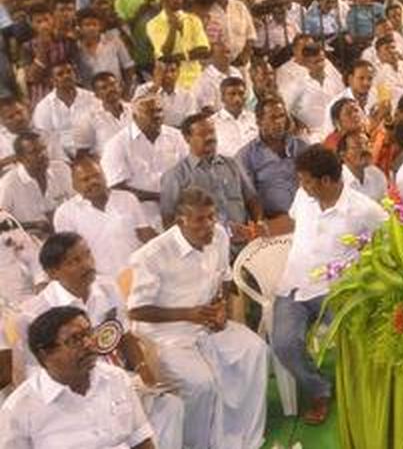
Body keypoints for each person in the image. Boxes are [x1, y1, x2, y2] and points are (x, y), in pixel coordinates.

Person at [127, 188, 269, 449]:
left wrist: (221, 306)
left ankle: (244, 436)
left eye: (212, 217)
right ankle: (198, 444)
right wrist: (187, 314)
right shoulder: (152, 255)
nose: (209, 226)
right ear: (180, 221)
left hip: (207, 325)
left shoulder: (219, 236)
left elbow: (224, 277)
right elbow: (136, 310)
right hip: (167, 337)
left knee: (255, 350)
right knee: (201, 385)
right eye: (200, 220)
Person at [15, 233, 184, 449]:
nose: (87, 264)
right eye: (74, 261)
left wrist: (144, 371)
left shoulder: (107, 287)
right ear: (53, 272)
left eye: (87, 255)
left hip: (116, 379)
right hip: (72, 390)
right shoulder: (34, 314)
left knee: (170, 406)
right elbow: (34, 374)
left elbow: (124, 335)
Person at [276, 146, 386, 425]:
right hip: (294, 286)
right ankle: (319, 390)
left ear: (326, 181)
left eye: (306, 181)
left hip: (335, 292)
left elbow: (389, 239)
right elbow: (292, 221)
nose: (302, 186)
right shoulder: (304, 197)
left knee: (358, 340)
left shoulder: (363, 210)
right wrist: (260, 230)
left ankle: (364, 394)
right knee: (284, 344)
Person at [0, 306, 157, 448]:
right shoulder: (20, 409)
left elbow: (141, 440)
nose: (88, 343)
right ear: (45, 354)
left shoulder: (116, 378)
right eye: (75, 340)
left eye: (88, 333)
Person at [160, 112, 263, 245]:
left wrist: (258, 224)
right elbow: (169, 221)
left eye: (212, 132)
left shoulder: (232, 164)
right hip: (207, 246)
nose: (210, 137)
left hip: (246, 241)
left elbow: (252, 199)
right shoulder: (176, 176)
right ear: (187, 138)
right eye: (202, 134)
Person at [53, 156, 154, 277]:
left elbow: (145, 234)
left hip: (139, 273)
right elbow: (70, 257)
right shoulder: (65, 214)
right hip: (100, 281)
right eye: (85, 179)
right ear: (74, 185)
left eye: (97, 176)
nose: (93, 182)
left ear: (105, 176)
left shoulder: (127, 198)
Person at [100, 94, 189, 228]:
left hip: (178, 209)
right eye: (150, 112)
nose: (157, 115)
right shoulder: (117, 144)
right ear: (135, 117)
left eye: (159, 110)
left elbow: (189, 169)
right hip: (140, 215)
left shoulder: (176, 136)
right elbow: (116, 188)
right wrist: (159, 197)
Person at [238, 97, 307, 229]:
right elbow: (250, 197)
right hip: (271, 221)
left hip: (304, 215)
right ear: (259, 121)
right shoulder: (246, 155)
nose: (279, 122)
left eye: (282, 116)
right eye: (273, 118)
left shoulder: (301, 146)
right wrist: (262, 224)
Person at [0, 132, 74, 237]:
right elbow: (2, 223)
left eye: (43, 149)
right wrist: (33, 225)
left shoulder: (61, 169)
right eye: (34, 152)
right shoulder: (8, 184)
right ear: (20, 159)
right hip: (30, 239)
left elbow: (79, 202)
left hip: (68, 233)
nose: (42, 154)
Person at [145, 0, 209, 90]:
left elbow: (204, 51)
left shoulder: (193, 20)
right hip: (171, 83)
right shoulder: (153, 24)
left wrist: (180, 56)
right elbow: (165, 54)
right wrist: (173, 28)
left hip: (196, 81)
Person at [32, 61, 98, 159]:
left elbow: (101, 128)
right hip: (62, 159)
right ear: (52, 80)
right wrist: (66, 161)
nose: (66, 76)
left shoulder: (92, 98)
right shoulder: (43, 107)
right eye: (60, 74)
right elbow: (46, 141)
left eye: (69, 72)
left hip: (95, 153)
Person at [212, 77, 258, 156]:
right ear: (222, 98)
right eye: (232, 94)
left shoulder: (255, 119)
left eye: (241, 94)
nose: (237, 99)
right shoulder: (213, 123)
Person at [339, 130, 387, 201]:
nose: (364, 150)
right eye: (357, 147)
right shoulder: (339, 183)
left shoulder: (376, 174)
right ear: (343, 155)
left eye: (366, 144)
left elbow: (387, 202)